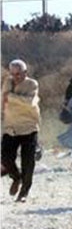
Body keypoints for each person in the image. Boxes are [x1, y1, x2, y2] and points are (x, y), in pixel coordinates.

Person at [1, 60, 40, 202]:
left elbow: (29, 102)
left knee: (28, 162)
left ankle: (24, 191)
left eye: (18, 74)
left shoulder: (32, 84)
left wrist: (11, 97)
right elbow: (2, 100)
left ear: (25, 72)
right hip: (10, 126)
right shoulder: (7, 82)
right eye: (13, 74)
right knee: (5, 158)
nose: (15, 77)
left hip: (28, 127)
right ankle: (16, 178)